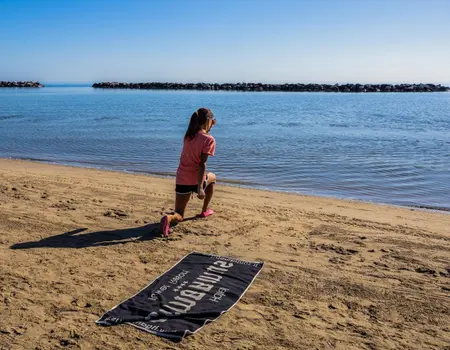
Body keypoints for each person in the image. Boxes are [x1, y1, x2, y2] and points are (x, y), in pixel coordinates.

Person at [160, 108, 217, 236]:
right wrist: (200, 188)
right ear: (209, 121)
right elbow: (201, 164)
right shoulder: (209, 139)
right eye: (212, 122)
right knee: (212, 177)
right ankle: (204, 210)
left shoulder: (188, 135)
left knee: (179, 214)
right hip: (197, 180)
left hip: (182, 178)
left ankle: (168, 218)